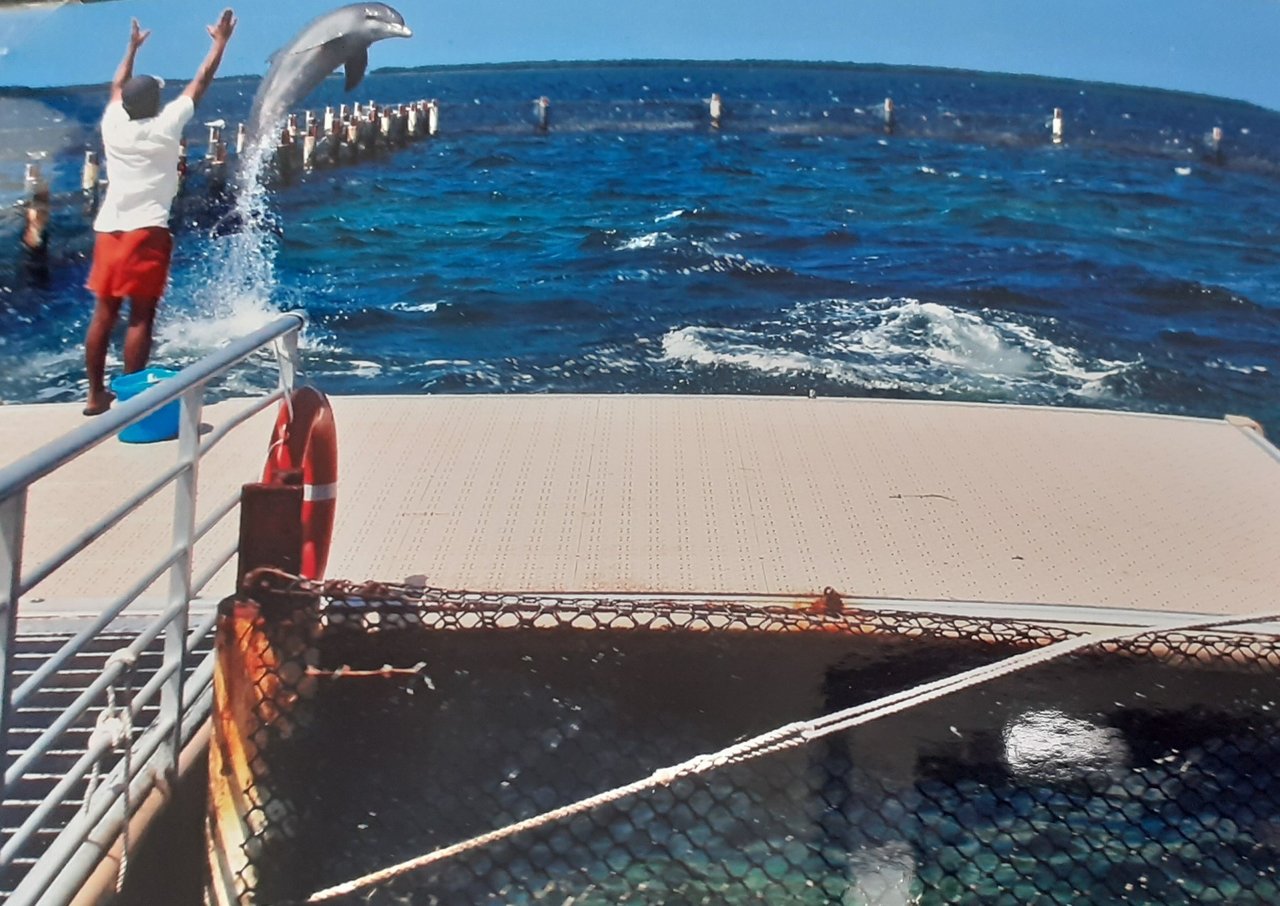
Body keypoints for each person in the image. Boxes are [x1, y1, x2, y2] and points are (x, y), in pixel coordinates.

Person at [82, 10, 237, 416]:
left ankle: (95, 395)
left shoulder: (112, 123)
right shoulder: (166, 126)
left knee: (105, 312)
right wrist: (220, 43)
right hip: (147, 230)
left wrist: (131, 49)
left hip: (108, 229)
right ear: (155, 102)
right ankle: (134, 400)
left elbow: (117, 85)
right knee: (141, 316)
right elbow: (200, 82)